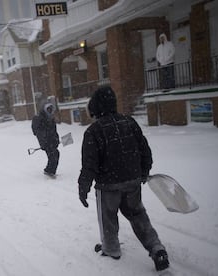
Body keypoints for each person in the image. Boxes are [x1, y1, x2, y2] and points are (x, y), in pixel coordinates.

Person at [77, 86, 169, 271]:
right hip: (132, 181)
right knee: (138, 215)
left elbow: (90, 165)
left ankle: (111, 249)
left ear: (95, 107)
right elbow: (145, 151)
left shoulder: (93, 131)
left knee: (108, 217)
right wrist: (144, 171)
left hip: (108, 185)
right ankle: (156, 248)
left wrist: (83, 188)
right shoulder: (129, 122)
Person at [31, 103, 60, 177]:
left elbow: (54, 131)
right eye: (48, 109)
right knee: (53, 155)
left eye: (51, 109)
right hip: (46, 142)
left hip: (52, 141)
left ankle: (49, 170)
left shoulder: (51, 119)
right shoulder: (39, 119)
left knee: (56, 154)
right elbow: (38, 132)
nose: (50, 111)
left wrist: (56, 139)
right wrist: (44, 142)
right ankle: (50, 171)